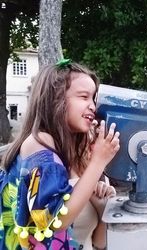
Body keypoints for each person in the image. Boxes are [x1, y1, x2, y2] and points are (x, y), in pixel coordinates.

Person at [0, 59, 120, 250]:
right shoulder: (39, 142)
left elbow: (100, 244)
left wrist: (103, 206)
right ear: (55, 99)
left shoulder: (75, 157)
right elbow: (55, 220)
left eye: (93, 99)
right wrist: (99, 161)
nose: (92, 106)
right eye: (83, 97)